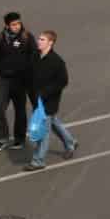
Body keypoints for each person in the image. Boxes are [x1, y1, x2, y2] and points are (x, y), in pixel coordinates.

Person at [25, 30, 77, 169]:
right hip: (37, 99)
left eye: (42, 39)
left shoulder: (57, 62)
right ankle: (70, 142)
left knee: (43, 131)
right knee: (53, 122)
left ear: (50, 42)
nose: (38, 41)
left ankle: (38, 161)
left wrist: (45, 93)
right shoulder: (36, 56)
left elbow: (63, 81)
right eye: (39, 39)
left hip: (49, 101)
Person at [0, 12, 35, 152]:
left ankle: (19, 139)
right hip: (4, 79)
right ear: (7, 25)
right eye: (14, 24)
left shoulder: (27, 37)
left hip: (20, 80)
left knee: (20, 110)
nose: (17, 26)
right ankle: (3, 137)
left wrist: (30, 78)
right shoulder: (1, 38)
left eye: (18, 23)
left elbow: (33, 58)